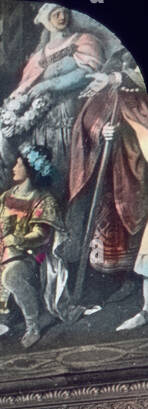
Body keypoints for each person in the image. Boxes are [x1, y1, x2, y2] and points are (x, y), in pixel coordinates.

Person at [0, 145, 74, 348]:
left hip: (28, 256)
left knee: (11, 276)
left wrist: (17, 240)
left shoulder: (43, 199)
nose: (14, 167)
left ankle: (33, 326)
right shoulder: (7, 196)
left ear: (30, 168)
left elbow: (41, 235)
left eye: (19, 164)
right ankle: (7, 324)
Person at [68, 55, 148, 316]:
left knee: (131, 235)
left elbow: (143, 128)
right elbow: (85, 124)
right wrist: (101, 132)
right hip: (104, 176)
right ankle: (101, 286)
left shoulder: (137, 97)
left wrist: (123, 134)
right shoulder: (101, 96)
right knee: (104, 232)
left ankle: (129, 282)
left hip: (131, 176)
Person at [0, 4, 105, 183]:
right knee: (44, 165)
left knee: (67, 164)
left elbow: (87, 73)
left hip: (71, 110)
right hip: (40, 120)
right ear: (47, 19)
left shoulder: (84, 41)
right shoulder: (39, 56)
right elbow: (26, 86)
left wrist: (48, 85)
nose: (62, 17)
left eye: (64, 12)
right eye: (56, 14)